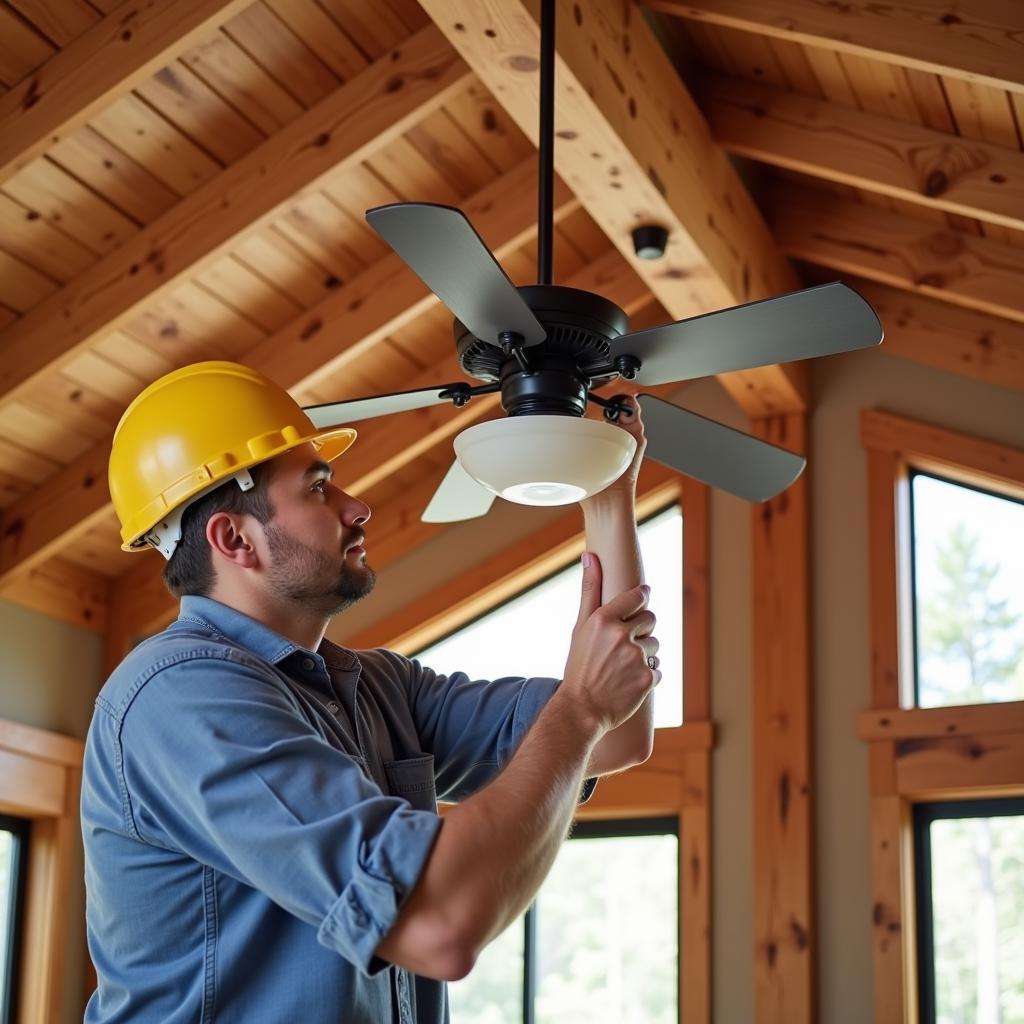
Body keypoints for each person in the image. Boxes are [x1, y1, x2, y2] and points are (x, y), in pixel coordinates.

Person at [82, 360, 660, 1023]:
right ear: (235, 539)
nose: (358, 507)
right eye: (319, 487)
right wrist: (580, 709)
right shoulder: (179, 699)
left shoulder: (376, 687)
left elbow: (618, 734)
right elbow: (440, 926)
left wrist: (609, 496)